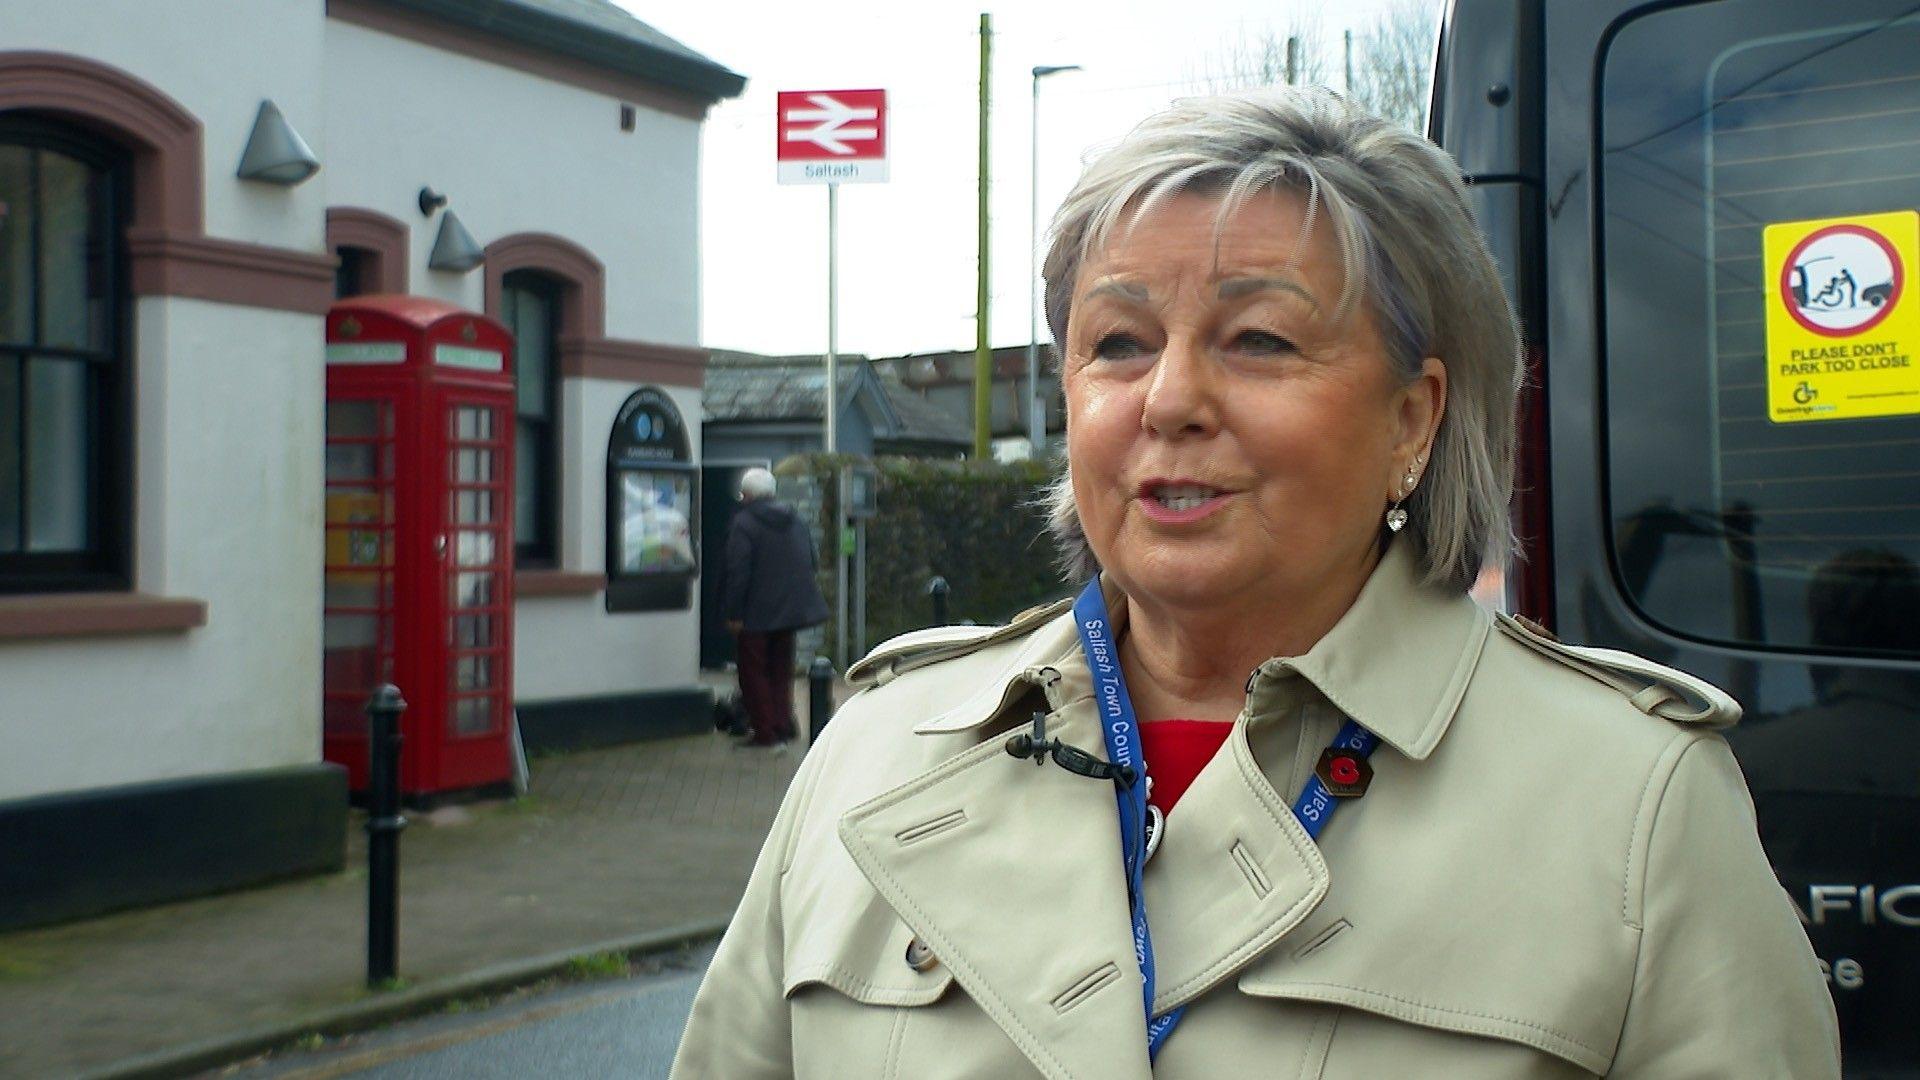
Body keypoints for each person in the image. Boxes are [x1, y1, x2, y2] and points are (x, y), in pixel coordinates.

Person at [672, 90, 1839, 1077]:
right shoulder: (874, 751)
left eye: (1260, 342)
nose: (1168, 398)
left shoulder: (1636, 802)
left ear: (1412, 421)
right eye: (1118, 342)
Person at [721, 467, 829, 748]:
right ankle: (782, 725)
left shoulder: (743, 523)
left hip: (756, 613)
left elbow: (738, 571)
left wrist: (734, 613)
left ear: (746, 495)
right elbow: (812, 560)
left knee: (754, 672)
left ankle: (765, 732)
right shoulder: (795, 519)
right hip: (789, 611)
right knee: (782, 671)